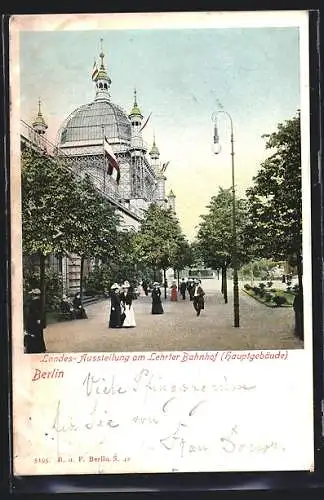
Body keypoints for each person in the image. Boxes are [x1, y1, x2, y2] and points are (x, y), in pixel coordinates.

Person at [24, 288, 46, 353]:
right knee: (38, 334)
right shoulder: (38, 302)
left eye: (33, 295)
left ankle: (35, 349)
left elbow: (37, 312)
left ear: (34, 295)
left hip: (34, 321)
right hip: (35, 320)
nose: (32, 296)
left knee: (34, 334)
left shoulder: (35, 302)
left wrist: (38, 319)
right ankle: (40, 348)